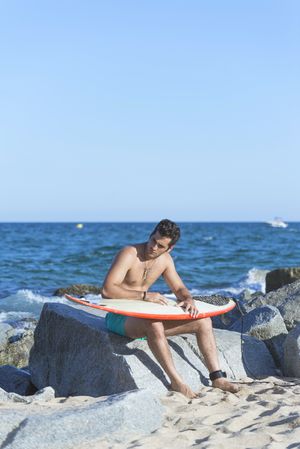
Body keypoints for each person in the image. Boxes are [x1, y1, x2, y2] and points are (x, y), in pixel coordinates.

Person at [102, 219, 239, 398]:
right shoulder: (129, 253)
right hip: (119, 317)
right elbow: (107, 290)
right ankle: (176, 382)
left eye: (160, 246)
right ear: (150, 235)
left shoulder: (165, 260)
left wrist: (188, 299)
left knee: (203, 321)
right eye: (153, 241)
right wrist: (144, 296)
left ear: (169, 248)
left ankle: (217, 377)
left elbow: (179, 288)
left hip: (145, 315)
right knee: (155, 325)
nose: (153, 248)